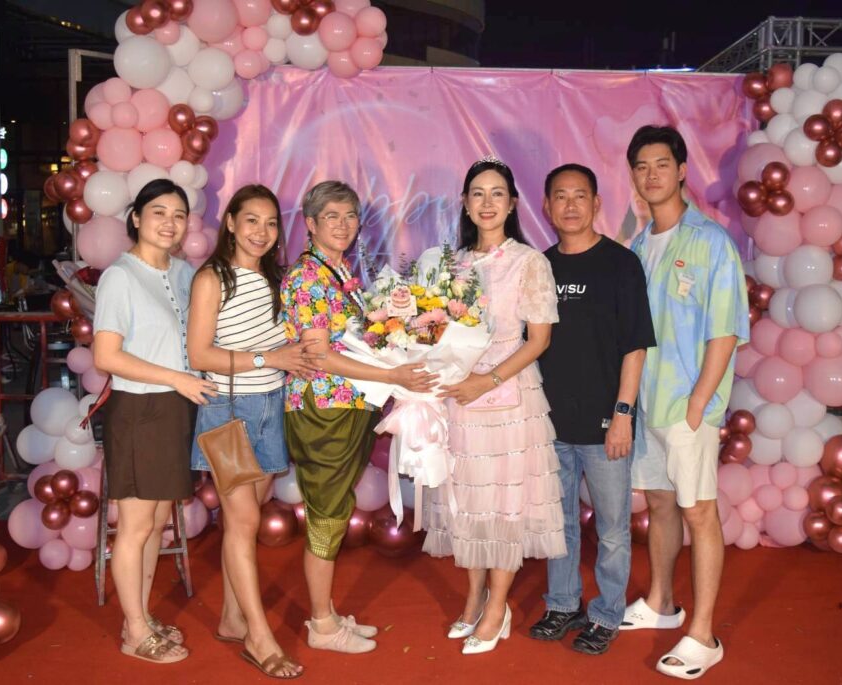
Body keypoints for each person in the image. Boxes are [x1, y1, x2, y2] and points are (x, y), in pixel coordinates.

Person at [281, 180, 437, 654]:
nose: (343, 224)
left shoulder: (338, 271)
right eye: (331, 216)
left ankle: (326, 613)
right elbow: (318, 355)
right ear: (310, 224)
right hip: (323, 409)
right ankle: (321, 626)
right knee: (327, 515)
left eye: (350, 215)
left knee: (335, 507)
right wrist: (392, 376)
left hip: (348, 406)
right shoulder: (307, 278)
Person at [423, 157, 567, 655]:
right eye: (478, 194)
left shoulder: (529, 262)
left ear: (512, 204)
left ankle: (497, 607)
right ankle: (473, 599)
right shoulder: (450, 264)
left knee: (505, 503)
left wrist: (486, 380)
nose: (487, 203)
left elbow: (539, 340)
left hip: (508, 397)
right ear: (465, 204)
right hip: (460, 399)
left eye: (497, 193)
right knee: (468, 501)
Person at [624, 126, 749, 680]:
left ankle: (703, 633)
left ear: (680, 171)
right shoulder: (637, 245)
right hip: (645, 404)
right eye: (641, 166)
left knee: (699, 511)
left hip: (687, 406)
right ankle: (661, 602)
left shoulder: (710, 241)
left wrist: (700, 403)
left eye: (661, 164)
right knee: (659, 503)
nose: (651, 175)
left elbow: (726, 328)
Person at [186, 185, 315, 678]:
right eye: (252, 221)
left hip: (269, 407)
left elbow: (285, 343)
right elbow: (199, 354)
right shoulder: (212, 278)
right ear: (231, 223)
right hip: (228, 411)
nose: (262, 232)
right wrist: (270, 358)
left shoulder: (276, 279)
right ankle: (260, 640)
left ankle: (231, 618)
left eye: (271, 223)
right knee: (243, 522)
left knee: (245, 519)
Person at [529, 163, 655, 655]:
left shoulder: (621, 264)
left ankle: (606, 613)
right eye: (560, 196)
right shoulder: (539, 267)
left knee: (613, 530)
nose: (570, 205)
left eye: (580, 195)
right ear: (547, 206)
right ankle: (562, 604)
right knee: (557, 525)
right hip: (549, 423)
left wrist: (623, 413)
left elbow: (635, 346)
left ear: (596, 203)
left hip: (606, 425)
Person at [93, 179, 217, 664]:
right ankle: (135, 631)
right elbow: (107, 356)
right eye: (159, 212)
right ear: (136, 218)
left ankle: (139, 616)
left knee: (158, 520)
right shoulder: (120, 277)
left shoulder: (186, 273)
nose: (170, 223)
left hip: (179, 408)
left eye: (179, 214)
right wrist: (176, 378)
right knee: (136, 525)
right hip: (140, 410)